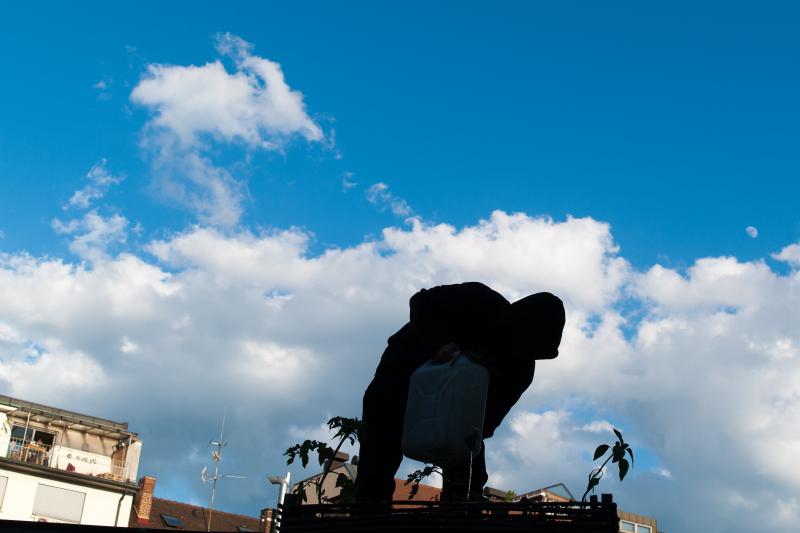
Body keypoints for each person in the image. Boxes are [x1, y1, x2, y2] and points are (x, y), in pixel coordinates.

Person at [354, 282, 566, 502]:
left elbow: (484, 424)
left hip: (457, 412)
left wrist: (453, 440)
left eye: (531, 350)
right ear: (518, 325)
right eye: (525, 343)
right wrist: (439, 344)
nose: (523, 352)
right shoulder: (479, 301)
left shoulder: (519, 370)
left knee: (468, 463)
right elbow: (421, 301)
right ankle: (367, 517)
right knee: (378, 453)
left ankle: (459, 516)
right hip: (400, 378)